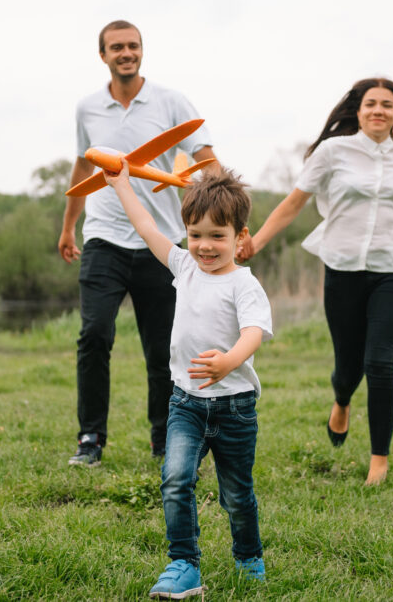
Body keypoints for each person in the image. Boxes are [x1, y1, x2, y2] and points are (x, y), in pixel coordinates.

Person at [237, 77, 393, 486]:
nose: (379, 111)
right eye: (371, 104)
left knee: (380, 363)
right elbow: (294, 203)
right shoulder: (333, 152)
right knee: (348, 368)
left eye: (387, 105)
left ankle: (378, 462)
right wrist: (256, 242)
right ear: (359, 111)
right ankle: (342, 399)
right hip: (343, 269)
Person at [102, 162, 272, 598]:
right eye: (196, 234)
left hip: (234, 408)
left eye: (218, 236)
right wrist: (122, 183)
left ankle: (248, 555)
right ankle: (184, 563)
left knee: (237, 494)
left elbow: (254, 331)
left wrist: (230, 361)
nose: (205, 246)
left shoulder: (244, 284)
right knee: (176, 478)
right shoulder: (183, 267)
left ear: (241, 237)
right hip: (185, 404)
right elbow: (144, 226)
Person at [59, 20, 218, 466]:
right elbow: (82, 167)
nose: (125, 53)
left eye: (133, 46)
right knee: (93, 336)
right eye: (116, 47)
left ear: (142, 50)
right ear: (103, 55)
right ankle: (90, 439)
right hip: (103, 239)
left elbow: (205, 157)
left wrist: (226, 206)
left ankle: (165, 438)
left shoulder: (169, 101)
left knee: (163, 347)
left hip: (160, 242)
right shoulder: (87, 108)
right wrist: (68, 225)